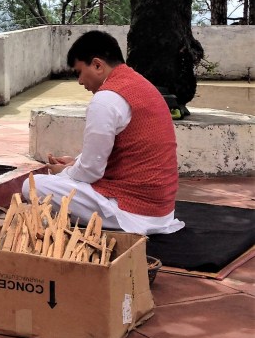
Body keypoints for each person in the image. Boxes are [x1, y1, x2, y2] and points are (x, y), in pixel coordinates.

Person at [24, 30, 185, 235]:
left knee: (33, 186)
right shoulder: (143, 85)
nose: (80, 81)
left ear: (97, 65)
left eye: (79, 72)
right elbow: (111, 152)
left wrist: (63, 173)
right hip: (162, 210)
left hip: (132, 213)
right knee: (66, 177)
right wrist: (75, 163)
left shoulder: (106, 99)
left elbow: (91, 171)